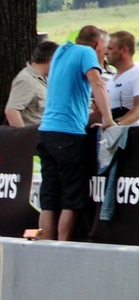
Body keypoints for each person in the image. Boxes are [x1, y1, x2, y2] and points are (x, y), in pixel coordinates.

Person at [36, 25, 116, 241]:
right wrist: (109, 120)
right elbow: (97, 84)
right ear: (97, 43)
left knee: (49, 198)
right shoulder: (86, 52)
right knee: (71, 196)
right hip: (68, 134)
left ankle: (44, 246)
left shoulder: (62, 50)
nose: (105, 54)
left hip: (46, 131)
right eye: (105, 48)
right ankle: (63, 248)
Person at [5, 40, 58, 127]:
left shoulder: (45, 79)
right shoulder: (26, 80)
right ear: (50, 60)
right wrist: (24, 137)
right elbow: (12, 111)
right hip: (35, 136)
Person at [107, 31, 139, 125]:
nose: (105, 53)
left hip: (132, 135)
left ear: (124, 50)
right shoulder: (111, 80)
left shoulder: (136, 74)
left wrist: (118, 124)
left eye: (110, 49)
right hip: (114, 137)